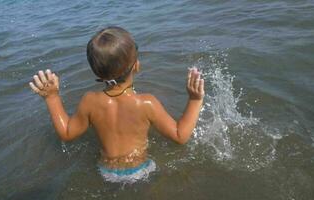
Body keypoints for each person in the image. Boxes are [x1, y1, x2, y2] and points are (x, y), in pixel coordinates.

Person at [29, 26, 204, 183]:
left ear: (96, 72)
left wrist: (52, 97)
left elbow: (67, 133)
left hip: (106, 171)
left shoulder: (89, 101)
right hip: (142, 170)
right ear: (136, 66)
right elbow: (180, 136)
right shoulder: (146, 103)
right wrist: (195, 100)